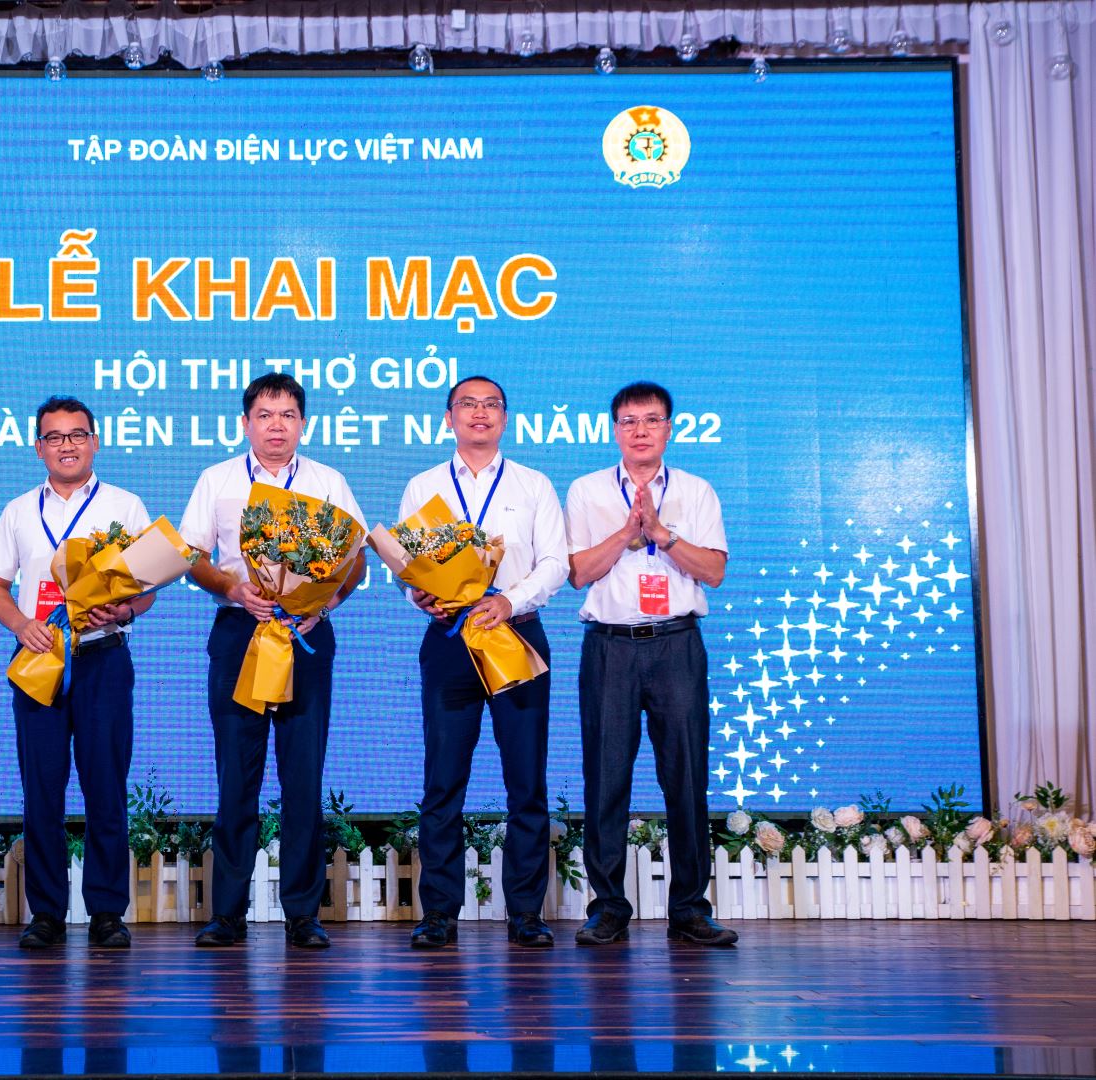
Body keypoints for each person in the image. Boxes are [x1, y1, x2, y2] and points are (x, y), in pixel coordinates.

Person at [178, 373, 368, 949]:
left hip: (305, 636)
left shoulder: (328, 481)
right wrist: (233, 589)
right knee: (236, 778)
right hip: (241, 634)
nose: (276, 426)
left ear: (303, 423)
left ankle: (303, 914)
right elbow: (191, 556)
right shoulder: (216, 479)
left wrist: (324, 604)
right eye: (264, 415)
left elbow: (356, 559)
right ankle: (227, 914)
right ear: (246, 423)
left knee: (303, 778)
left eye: (287, 415)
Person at [397, 376, 568, 949]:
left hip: (515, 633)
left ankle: (526, 912)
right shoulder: (423, 485)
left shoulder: (533, 484)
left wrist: (509, 601)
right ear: (448, 418)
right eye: (467, 404)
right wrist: (418, 595)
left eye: (491, 404)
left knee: (526, 780)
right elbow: (408, 566)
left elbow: (555, 563)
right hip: (449, 638)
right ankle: (439, 913)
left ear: (505, 417)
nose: (480, 413)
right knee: (443, 780)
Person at [564, 381, 735, 947]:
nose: (640, 430)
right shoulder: (587, 491)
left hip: (676, 645)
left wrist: (662, 534)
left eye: (652, 420)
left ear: (669, 428)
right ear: (614, 430)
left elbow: (714, 571)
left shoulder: (696, 490)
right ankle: (608, 906)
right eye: (629, 421)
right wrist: (626, 533)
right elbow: (578, 573)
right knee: (605, 778)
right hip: (610, 647)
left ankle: (689, 907)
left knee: (685, 777)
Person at [0, 396, 155, 950]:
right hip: (39, 659)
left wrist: (124, 610)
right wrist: (20, 625)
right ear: (39, 447)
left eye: (77, 435)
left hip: (103, 658)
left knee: (106, 787)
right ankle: (46, 913)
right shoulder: (17, 511)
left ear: (94, 442)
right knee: (41, 789)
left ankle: (106, 911)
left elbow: (147, 587)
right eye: (54, 437)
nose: (67, 446)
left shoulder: (125, 506)